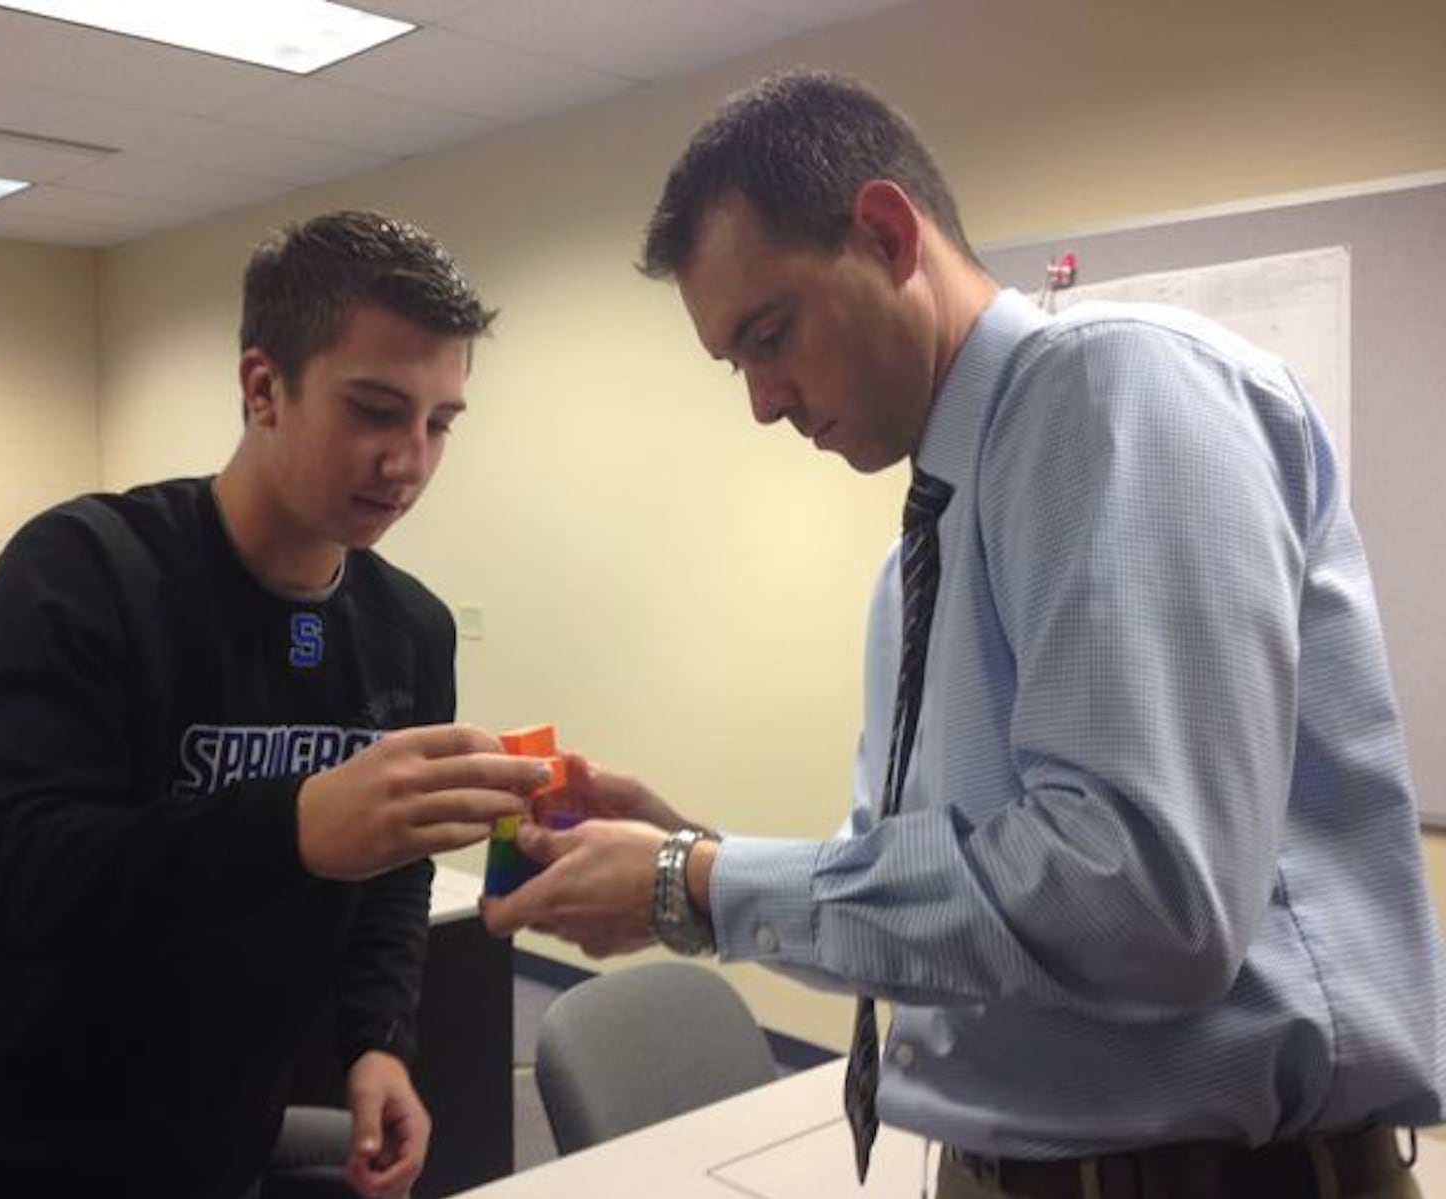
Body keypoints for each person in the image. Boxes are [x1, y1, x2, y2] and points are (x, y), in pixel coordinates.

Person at [482, 70, 1446, 1198]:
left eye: (770, 332)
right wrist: (688, 852)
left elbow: (1141, 897)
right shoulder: (924, 552)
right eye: (734, 361)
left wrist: (701, 882)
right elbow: (948, 905)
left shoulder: (1109, 387)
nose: (762, 401)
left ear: (887, 233)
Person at [0, 210, 550, 1199]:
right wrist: (298, 823)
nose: (411, 461)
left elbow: (391, 872)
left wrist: (377, 1042)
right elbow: (20, 872)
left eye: (439, 423)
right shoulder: (82, 571)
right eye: (375, 410)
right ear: (264, 387)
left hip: (209, 1135)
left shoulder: (407, 629)